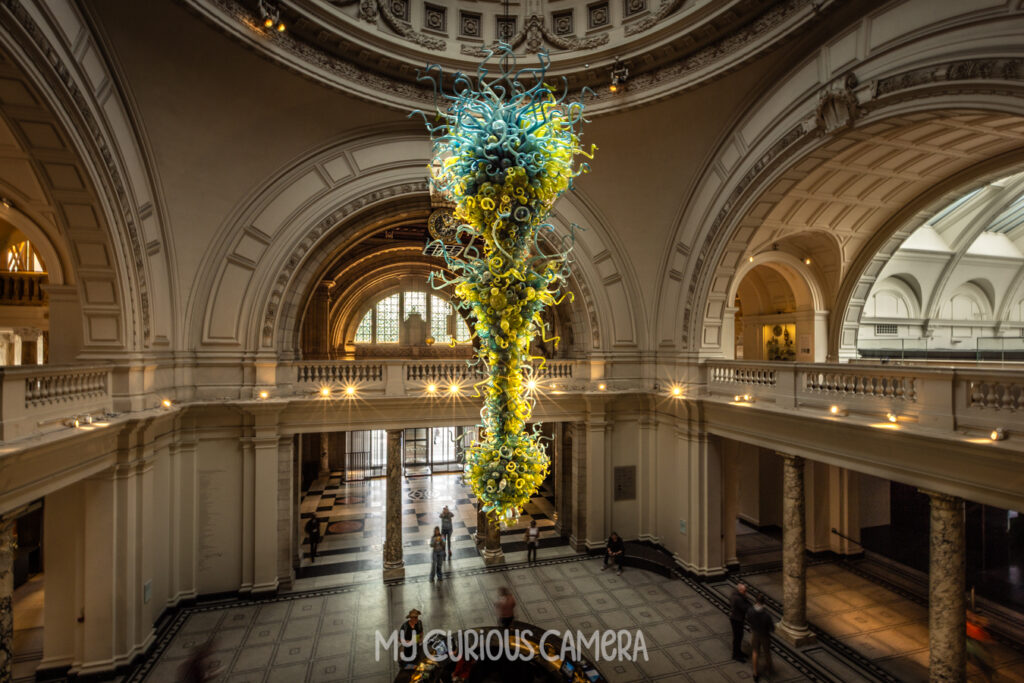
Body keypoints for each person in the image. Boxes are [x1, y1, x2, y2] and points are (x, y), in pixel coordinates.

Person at [747, 594, 774, 682]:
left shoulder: (750, 610)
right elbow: (772, 628)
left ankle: (755, 673)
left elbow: (749, 620)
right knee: (767, 653)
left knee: (755, 652)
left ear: (756, 601)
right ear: (764, 603)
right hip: (765, 635)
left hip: (755, 633)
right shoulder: (766, 615)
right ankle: (769, 670)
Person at [966, 610, 996, 682]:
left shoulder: (972, 627)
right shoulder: (974, 630)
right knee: (983, 662)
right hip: (972, 647)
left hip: (972, 645)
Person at [729, 582, 749, 662]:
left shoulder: (734, 594)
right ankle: (736, 655)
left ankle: (739, 652)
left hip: (736, 618)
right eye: (744, 591)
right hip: (736, 619)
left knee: (739, 637)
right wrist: (745, 597)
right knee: (737, 637)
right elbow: (745, 608)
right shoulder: (738, 599)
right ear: (740, 590)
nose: (745, 593)